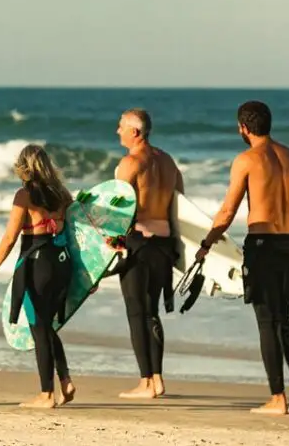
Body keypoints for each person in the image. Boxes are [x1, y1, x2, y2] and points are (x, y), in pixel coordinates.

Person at [196, 100, 289, 415]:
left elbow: (227, 212)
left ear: (243, 127)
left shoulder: (247, 160)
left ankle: (277, 398)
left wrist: (207, 243)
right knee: (282, 318)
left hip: (264, 246)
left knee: (267, 322)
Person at [0, 144, 76, 409]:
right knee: (47, 325)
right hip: (61, 263)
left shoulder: (24, 195)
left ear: (23, 167)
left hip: (37, 265)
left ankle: (46, 394)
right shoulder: (62, 194)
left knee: (38, 328)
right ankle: (65, 381)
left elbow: (11, 237)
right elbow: (77, 235)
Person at [108, 108, 183, 399]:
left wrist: (112, 241)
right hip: (164, 245)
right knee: (152, 312)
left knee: (136, 312)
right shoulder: (167, 161)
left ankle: (145, 382)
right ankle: (158, 378)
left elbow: (118, 208)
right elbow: (180, 205)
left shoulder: (130, 163)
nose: (118, 131)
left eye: (121, 127)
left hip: (138, 244)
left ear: (135, 132)